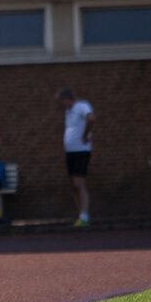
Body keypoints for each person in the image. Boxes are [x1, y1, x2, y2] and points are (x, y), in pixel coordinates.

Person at [56, 89, 94, 227]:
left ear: (67, 99)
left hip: (81, 151)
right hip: (70, 152)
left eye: (60, 102)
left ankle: (84, 215)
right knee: (74, 185)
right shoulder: (68, 111)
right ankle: (80, 215)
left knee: (79, 184)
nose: (59, 105)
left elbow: (91, 118)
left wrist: (86, 134)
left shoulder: (82, 106)